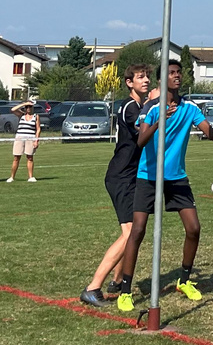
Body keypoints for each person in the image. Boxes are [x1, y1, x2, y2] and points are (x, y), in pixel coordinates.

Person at [115, 59, 213, 310]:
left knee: (194, 228)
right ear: (161, 80)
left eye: (179, 72)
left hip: (176, 177)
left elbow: (211, 135)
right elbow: (141, 141)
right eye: (172, 73)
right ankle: (125, 291)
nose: (177, 76)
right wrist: (160, 121)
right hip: (148, 176)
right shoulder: (151, 107)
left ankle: (184, 280)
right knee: (138, 230)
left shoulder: (190, 107)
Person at [82, 62, 151, 307]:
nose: (146, 80)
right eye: (140, 77)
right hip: (121, 176)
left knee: (134, 231)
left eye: (147, 77)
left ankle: (118, 280)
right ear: (129, 83)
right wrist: (155, 105)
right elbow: (142, 131)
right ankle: (93, 288)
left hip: (131, 176)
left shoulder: (139, 106)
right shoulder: (131, 107)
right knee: (130, 233)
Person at [6, 101, 41, 183]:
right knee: (16, 158)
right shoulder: (22, 115)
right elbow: (13, 110)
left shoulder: (36, 116)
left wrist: (36, 140)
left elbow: (38, 129)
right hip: (20, 138)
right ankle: (12, 177)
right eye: (27, 107)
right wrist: (24, 104)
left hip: (30, 138)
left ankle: (31, 177)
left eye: (30, 107)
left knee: (30, 157)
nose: (28, 108)